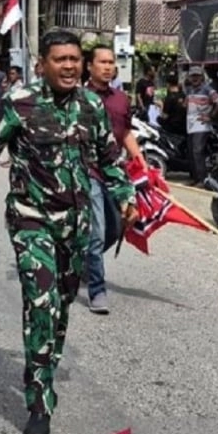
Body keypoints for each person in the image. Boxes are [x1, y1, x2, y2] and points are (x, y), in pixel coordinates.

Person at [0, 30, 137, 434]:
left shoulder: (91, 107)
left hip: (76, 224)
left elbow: (109, 157)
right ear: (42, 65)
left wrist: (124, 196)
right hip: (31, 219)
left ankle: (41, 367)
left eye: (75, 59)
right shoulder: (19, 104)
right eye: (60, 59)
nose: (69, 66)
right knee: (42, 301)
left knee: (60, 306)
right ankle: (40, 406)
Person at [84, 45, 147, 314]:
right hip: (87, 171)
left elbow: (125, 133)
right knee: (97, 232)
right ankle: (97, 290)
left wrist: (140, 159)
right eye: (102, 62)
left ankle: (84, 261)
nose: (108, 67)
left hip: (114, 171)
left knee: (115, 228)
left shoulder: (121, 99)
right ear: (89, 66)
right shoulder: (79, 97)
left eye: (111, 62)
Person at [184, 66, 218, 187]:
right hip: (191, 125)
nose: (195, 78)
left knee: (197, 152)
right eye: (192, 76)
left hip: (201, 126)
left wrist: (210, 116)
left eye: (197, 76)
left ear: (202, 77)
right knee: (191, 152)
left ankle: (203, 180)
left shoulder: (207, 89)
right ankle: (196, 179)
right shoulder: (190, 90)